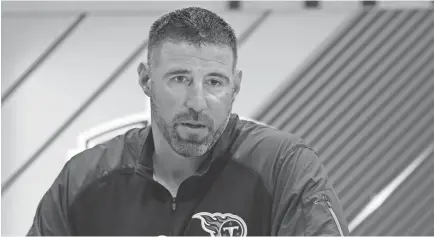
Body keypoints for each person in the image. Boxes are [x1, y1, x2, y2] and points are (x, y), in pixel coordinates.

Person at [28, 7, 349, 236]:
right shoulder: (84, 178)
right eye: (180, 79)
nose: (197, 102)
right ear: (146, 79)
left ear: (235, 86)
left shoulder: (282, 164)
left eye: (214, 82)